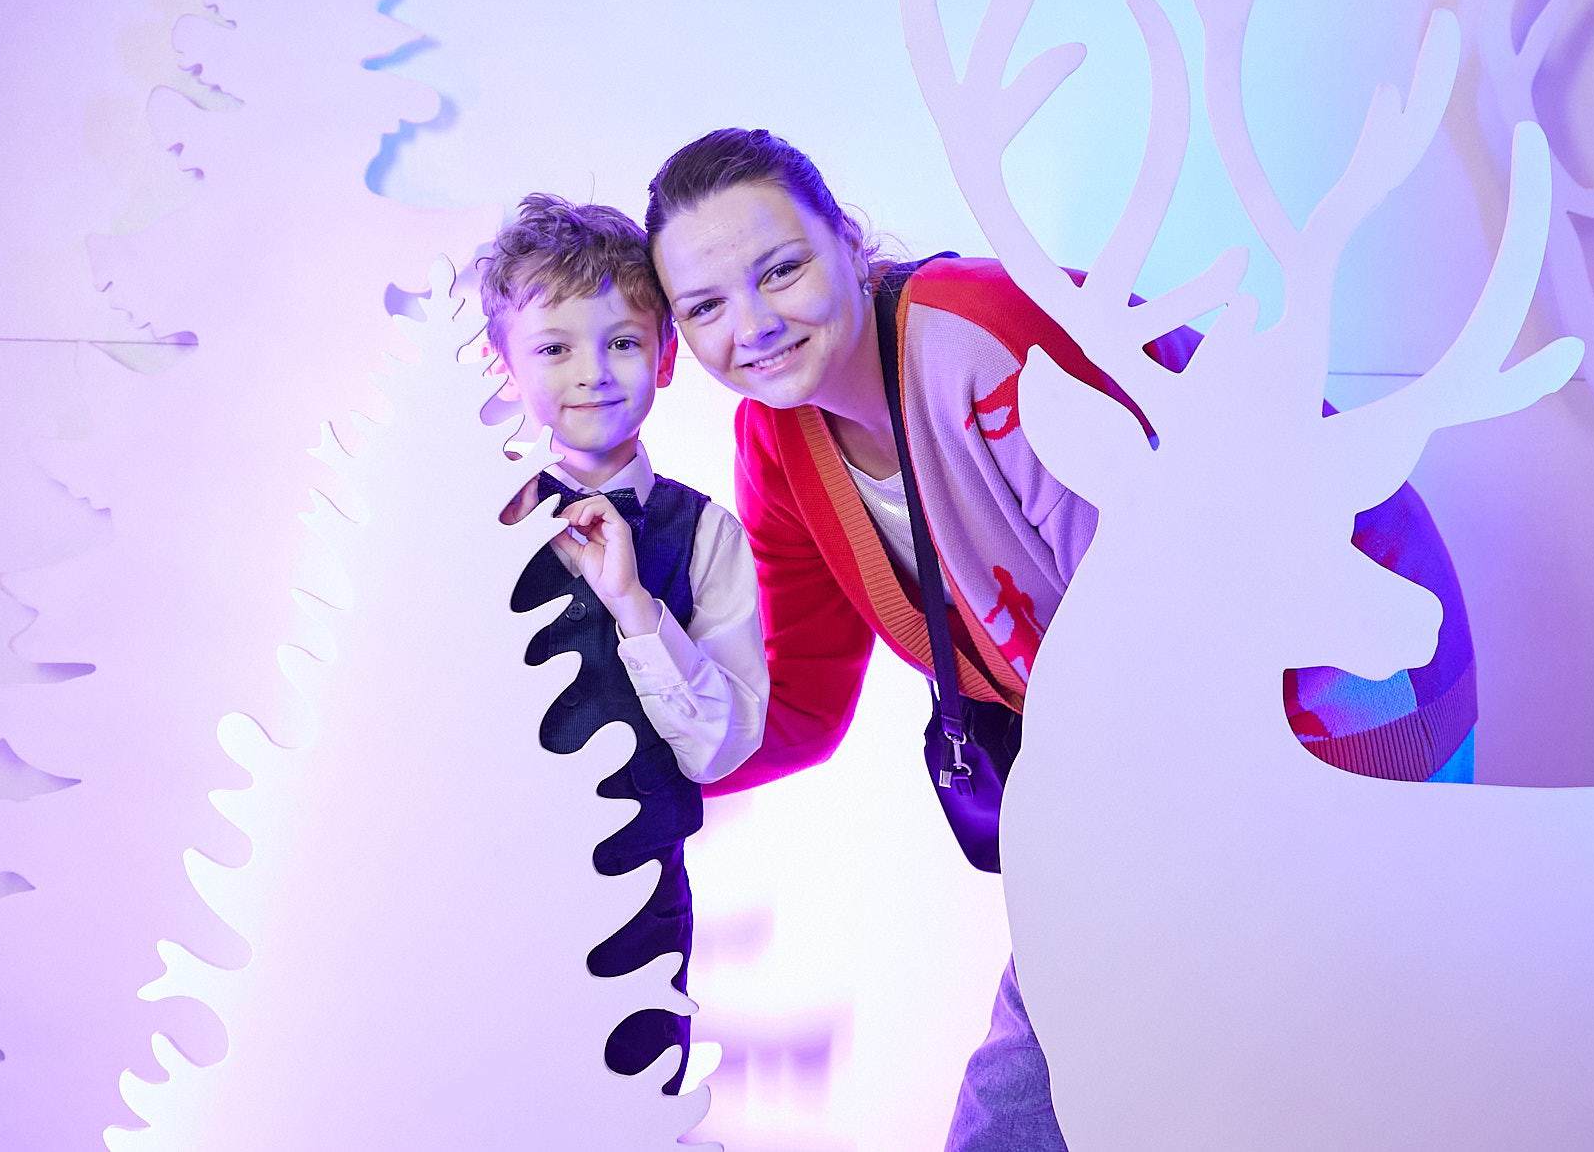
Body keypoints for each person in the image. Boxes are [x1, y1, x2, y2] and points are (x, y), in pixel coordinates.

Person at [643, 129, 1477, 1148]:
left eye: (780, 269)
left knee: (1317, 1046)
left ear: (848, 243)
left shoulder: (988, 340)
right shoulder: (778, 442)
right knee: (1125, 1051)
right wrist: (634, 756)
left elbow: (1173, 642)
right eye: (704, 307)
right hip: (1143, 751)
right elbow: (799, 704)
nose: (754, 325)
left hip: (1335, 675)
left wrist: (1104, 864)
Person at [474, 192, 769, 1093]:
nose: (592, 373)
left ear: (667, 356)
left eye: (623, 343)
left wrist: (636, 604)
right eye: (554, 348)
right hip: (483, 884)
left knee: (633, 1104)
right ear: (502, 365)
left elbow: (720, 747)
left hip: (639, 894)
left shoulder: (706, 534)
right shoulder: (473, 522)